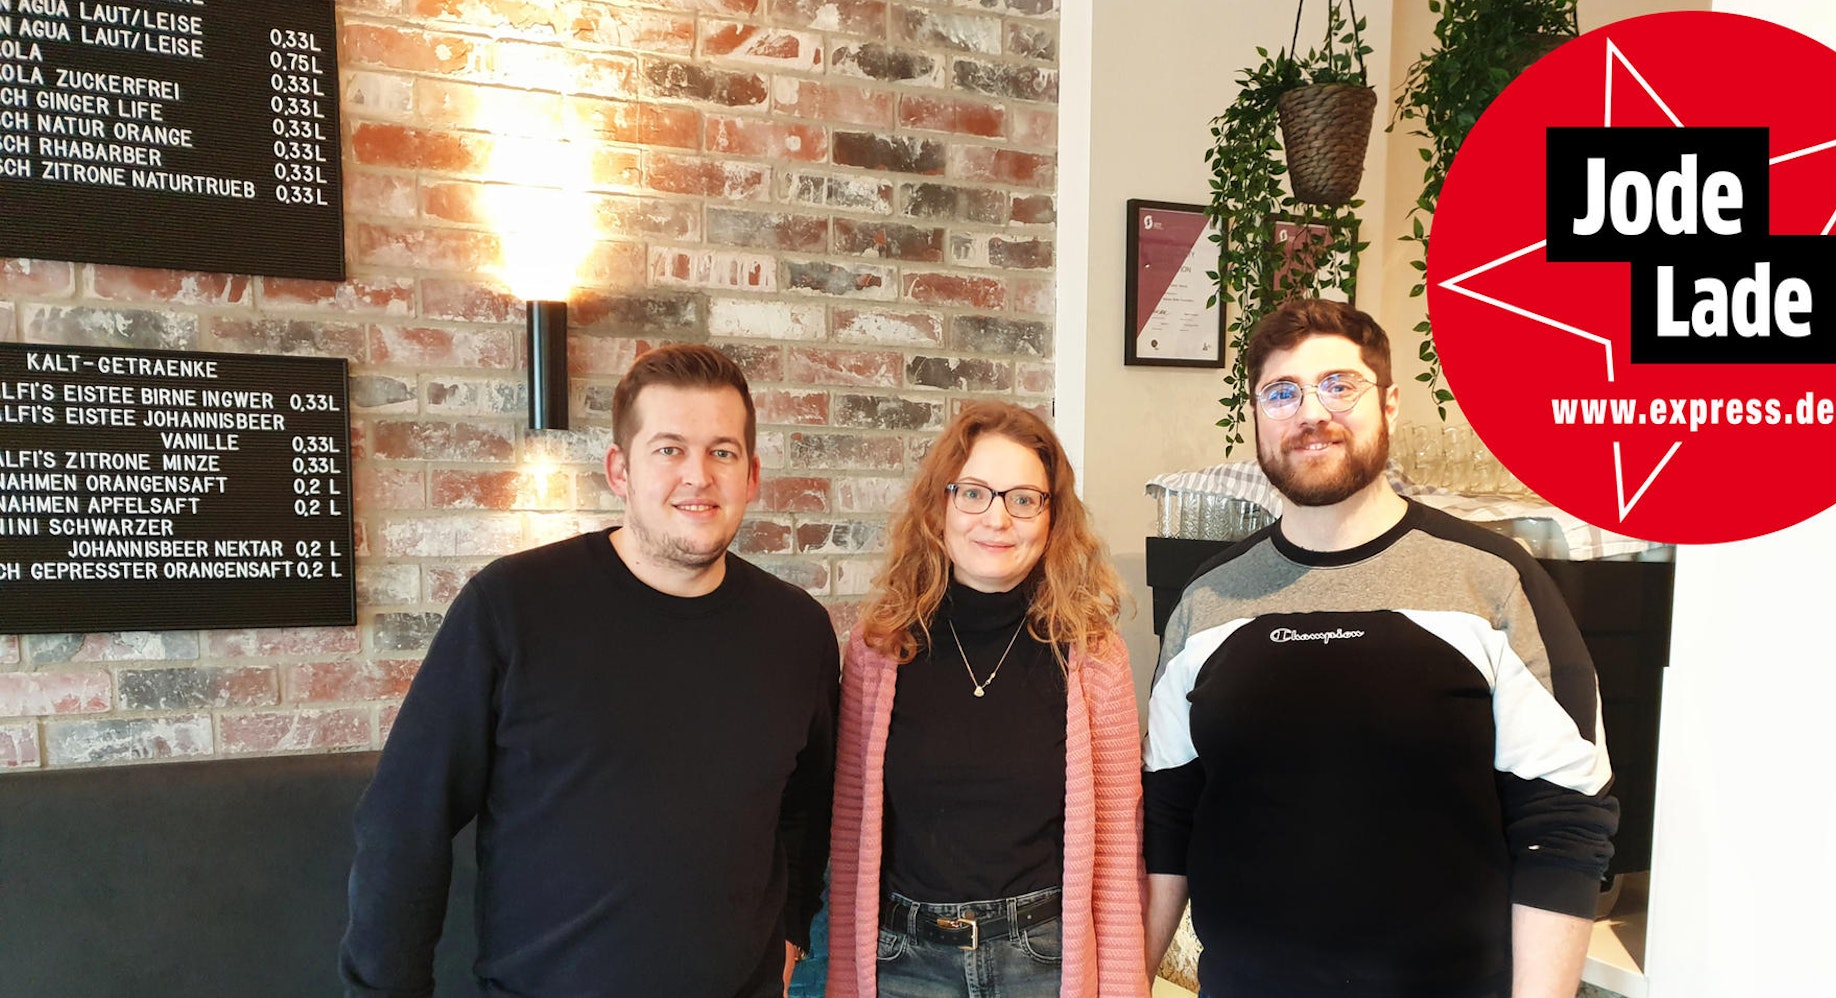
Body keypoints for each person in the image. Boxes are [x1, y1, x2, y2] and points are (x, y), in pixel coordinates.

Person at [1141, 299, 1618, 998]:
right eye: (1282, 392)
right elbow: (1166, 819)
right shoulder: (1207, 600)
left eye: (1339, 385)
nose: (1310, 413)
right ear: (1257, 418)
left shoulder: (1492, 580)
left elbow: (1566, 817)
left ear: (1390, 405)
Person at [340, 344, 839, 998]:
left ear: (751, 476)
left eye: (722, 451)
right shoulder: (514, 607)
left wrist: (793, 928)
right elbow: (406, 822)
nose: (698, 475)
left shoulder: (797, 629)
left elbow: (805, 807)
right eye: (668, 449)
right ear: (619, 470)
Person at [826, 402, 1148, 998]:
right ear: (940, 506)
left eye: (1024, 499)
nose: (997, 519)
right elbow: (849, 837)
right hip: (905, 965)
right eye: (974, 493)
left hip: (1043, 963)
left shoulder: (1092, 655)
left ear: (1053, 518)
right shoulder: (879, 650)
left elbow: (1117, 850)